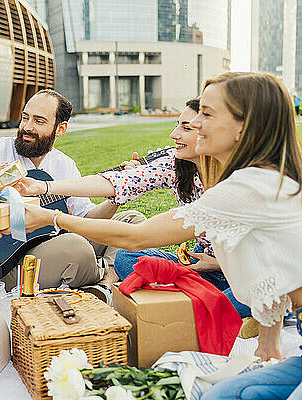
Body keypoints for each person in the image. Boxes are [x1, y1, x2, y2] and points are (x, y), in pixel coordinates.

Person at [24, 72, 302, 368]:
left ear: (243, 129)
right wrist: (268, 345)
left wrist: (52, 216)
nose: (193, 125)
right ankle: (209, 306)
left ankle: (208, 307)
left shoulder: (244, 188)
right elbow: (268, 268)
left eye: (205, 114)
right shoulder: (256, 176)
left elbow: (137, 236)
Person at [16, 98, 250, 318]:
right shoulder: (176, 164)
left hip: (245, 269)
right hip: (200, 264)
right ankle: (202, 302)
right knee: (127, 260)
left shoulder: (242, 180)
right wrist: (44, 186)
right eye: (177, 125)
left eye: (186, 128)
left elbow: (137, 236)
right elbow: (113, 182)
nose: (173, 135)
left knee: (244, 294)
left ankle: (204, 304)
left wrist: (218, 263)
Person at [0, 89, 145, 293]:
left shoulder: (64, 165)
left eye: (39, 121)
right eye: (25, 117)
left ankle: (104, 284)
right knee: (78, 249)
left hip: (48, 246)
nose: (27, 127)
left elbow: (86, 221)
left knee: (132, 221)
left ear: (60, 128)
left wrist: (118, 194)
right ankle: (109, 273)